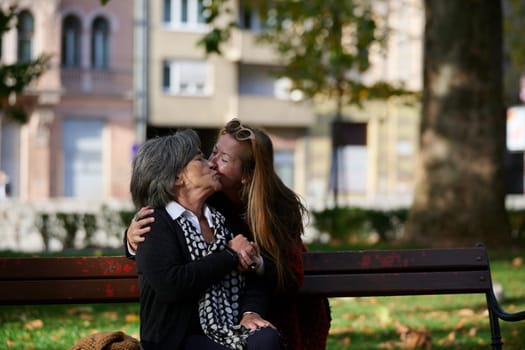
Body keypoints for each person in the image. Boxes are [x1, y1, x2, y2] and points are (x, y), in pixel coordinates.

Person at [127, 120, 331, 349]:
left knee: (266, 337)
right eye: (210, 153)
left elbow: (278, 274)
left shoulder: (270, 207)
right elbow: (168, 267)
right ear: (177, 178)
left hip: (277, 302)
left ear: (247, 174)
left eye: (223, 159)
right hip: (182, 331)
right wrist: (131, 239)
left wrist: (251, 303)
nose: (212, 163)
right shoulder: (192, 206)